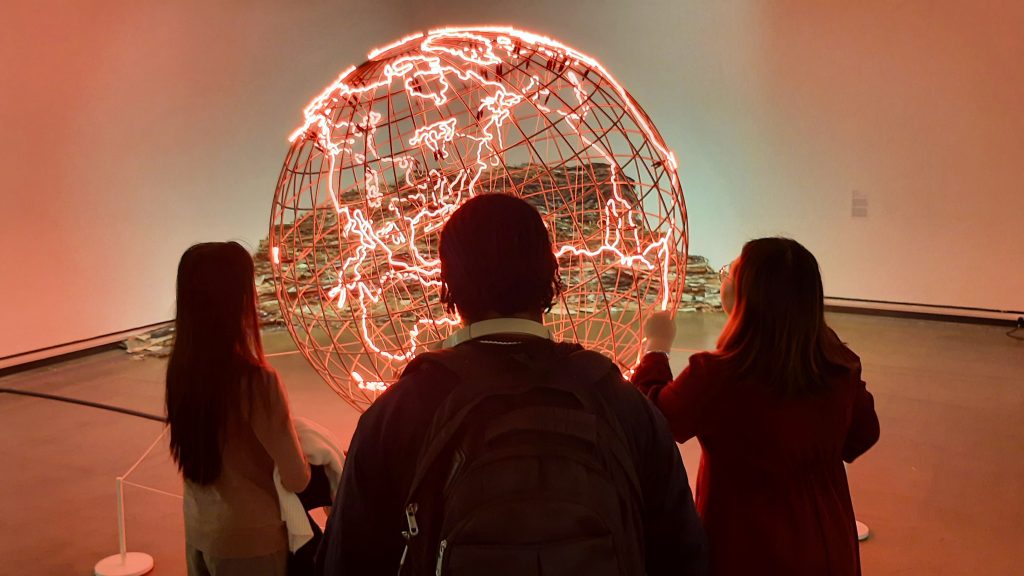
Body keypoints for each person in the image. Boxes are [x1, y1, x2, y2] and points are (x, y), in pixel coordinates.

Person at [317, 194, 707, 575]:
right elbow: (683, 556)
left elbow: (347, 561)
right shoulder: (622, 403)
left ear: (447, 284)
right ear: (550, 273)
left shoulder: (397, 414)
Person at [633, 237, 880, 576]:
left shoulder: (718, 376)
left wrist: (656, 349)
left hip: (747, 549)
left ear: (748, 295)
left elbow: (655, 420)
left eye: (730, 273)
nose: (723, 279)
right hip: (828, 546)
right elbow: (862, 436)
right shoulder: (838, 369)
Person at [166, 241, 311, 576]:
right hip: (251, 542)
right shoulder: (257, 382)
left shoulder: (180, 371)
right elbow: (297, 478)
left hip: (200, 529)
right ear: (238, 301)